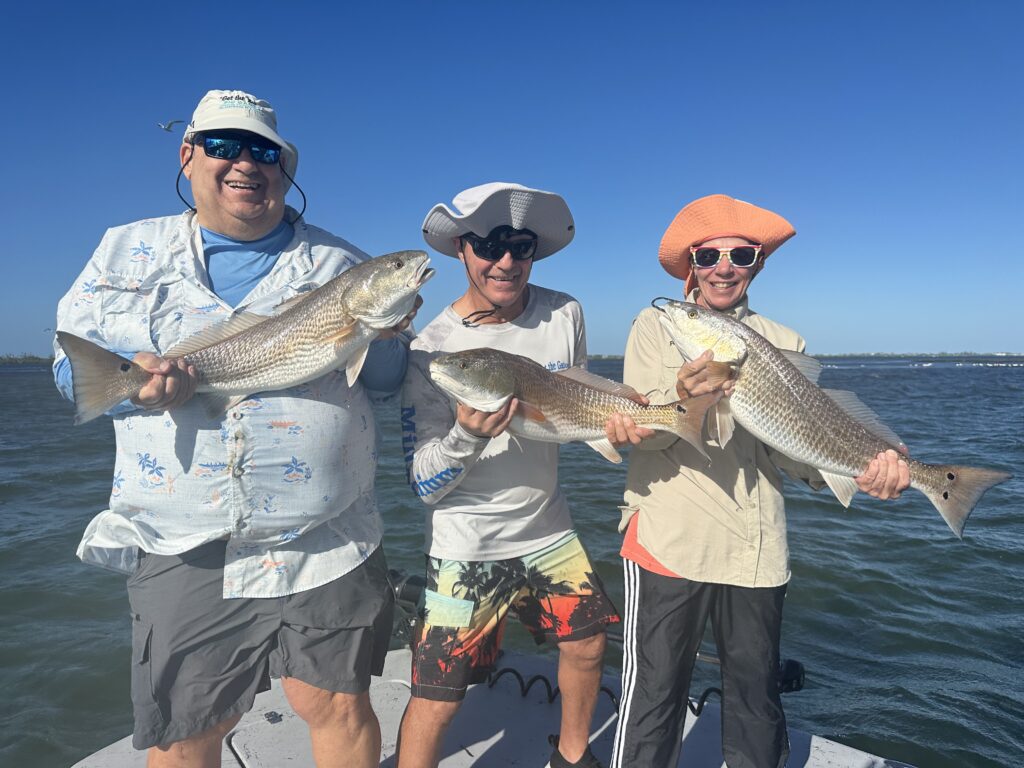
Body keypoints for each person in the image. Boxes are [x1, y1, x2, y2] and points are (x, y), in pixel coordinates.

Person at [53, 89, 419, 768]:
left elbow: (385, 380)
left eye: (264, 150)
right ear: (188, 156)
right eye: (224, 145)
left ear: (285, 168)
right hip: (186, 537)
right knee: (189, 727)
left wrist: (390, 328)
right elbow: (70, 368)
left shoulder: (343, 266)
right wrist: (134, 388)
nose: (245, 162)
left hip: (329, 534)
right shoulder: (124, 249)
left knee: (337, 704)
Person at [608, 194, 910, 768]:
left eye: (741, 254)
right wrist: (685, 398)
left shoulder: (783, 342)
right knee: (653, 696)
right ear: (691, 265)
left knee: (757, 700)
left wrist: (864, 471)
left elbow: (796, 456)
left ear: (758, 264)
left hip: (756, 546)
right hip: (669, 538)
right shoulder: (658, 325)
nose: (724, 266)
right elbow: (645, 428)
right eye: (709, 255)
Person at [397, 183, 643, 768]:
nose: (505, 261)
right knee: (436, 698)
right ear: (462, 248)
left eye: (521, 247)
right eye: (488, 245)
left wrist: (613, 426)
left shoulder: (565, 313)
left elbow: (576, 400)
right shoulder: (431, 350)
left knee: (587, 646)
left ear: (535, 252)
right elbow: (420, 482)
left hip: (547, 528)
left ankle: (573, 757)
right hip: (465, 543)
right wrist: (467, 437)